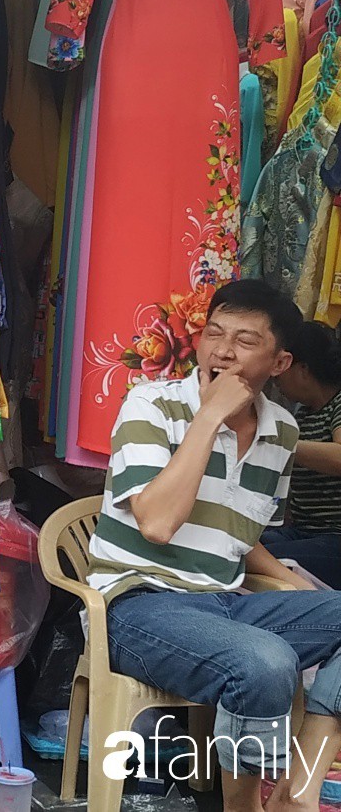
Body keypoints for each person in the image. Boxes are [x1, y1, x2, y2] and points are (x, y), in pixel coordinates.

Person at [87, 279, 341, 812]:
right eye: (214, 333)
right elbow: (157, 523)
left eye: (246, 341)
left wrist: (293, 586)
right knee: (267, 662)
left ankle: (297, 791)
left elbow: (239, 532)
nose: (223, 350)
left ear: (279, 362)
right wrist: (208, 417)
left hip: (224, 604)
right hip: (136, 606)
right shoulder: (151, 404)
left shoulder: (283, 432)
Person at [264, 320, 341, 588]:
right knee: (241, 547)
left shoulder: (338, 404)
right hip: (304, 532)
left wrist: (281, 443)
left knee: (267, 561)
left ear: (303, 369)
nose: (276, 380)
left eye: (283, 368)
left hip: (334, 538)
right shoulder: (304, 415)